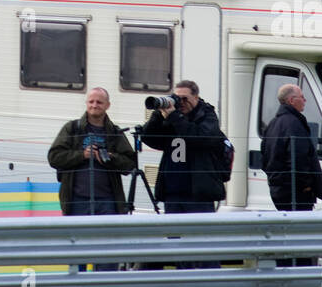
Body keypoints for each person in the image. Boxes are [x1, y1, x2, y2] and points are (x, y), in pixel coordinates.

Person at [47, 87, 137, 217]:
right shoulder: (72, 128)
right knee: (78, 237)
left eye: (99, 102)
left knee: (106, 237)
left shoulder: (114, 132)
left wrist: (110, 157)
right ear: (86, 103)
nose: (94, 105)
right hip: (76, 201)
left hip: (108, 201)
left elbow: (130, 164)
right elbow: (54, 157)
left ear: (108, 105)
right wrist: (82, 155)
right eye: (91, 102)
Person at [140, 79, 225, 212]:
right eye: (177, 99)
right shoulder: (172, 116)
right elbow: (148, 138)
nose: (181, 103)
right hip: (173, 191)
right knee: (173, 232)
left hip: (199, 192)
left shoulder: (206, 115)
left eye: (185, 98)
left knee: (198, 232)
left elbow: (200, 138)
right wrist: (158, 114)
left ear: (196, 97)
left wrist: (175, 116)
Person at [260, 84, 322, 211]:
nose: (305, 100)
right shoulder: (295, 124)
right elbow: (299, 157)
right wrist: (306, 185)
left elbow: (264, 157)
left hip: (277, 190)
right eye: (302, 97)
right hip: (295, 191)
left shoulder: (272, 124)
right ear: (292, 100)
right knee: (302, 228)